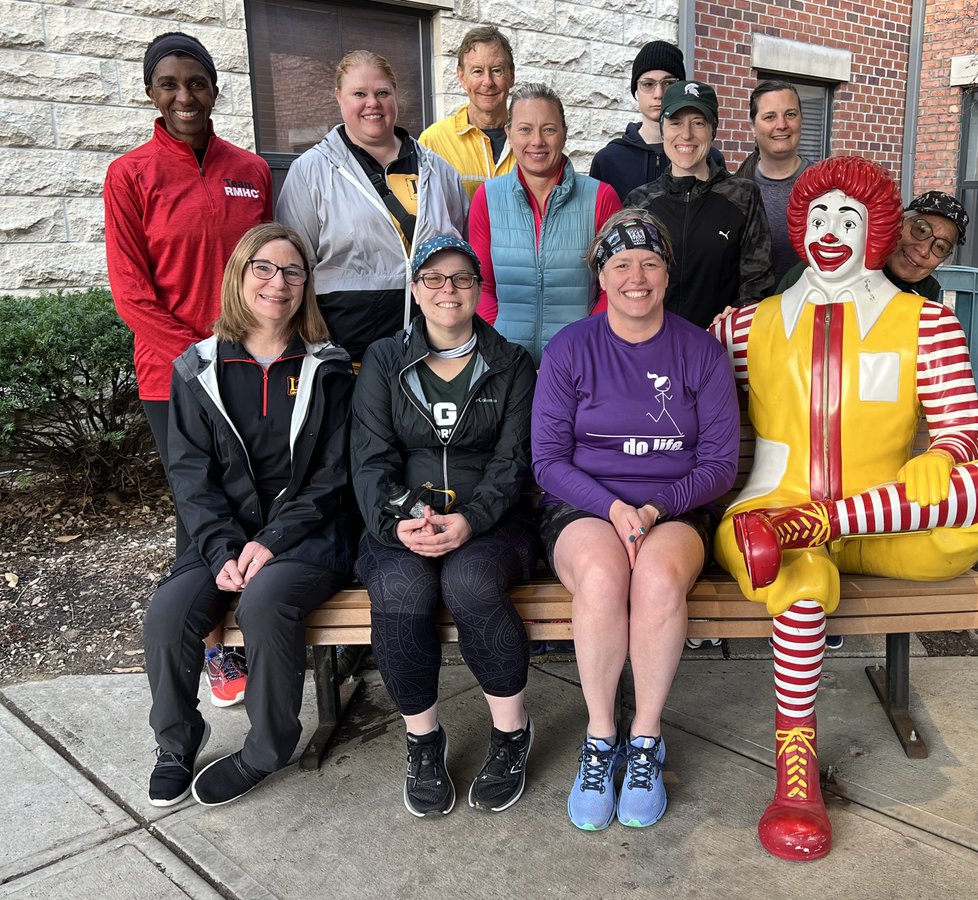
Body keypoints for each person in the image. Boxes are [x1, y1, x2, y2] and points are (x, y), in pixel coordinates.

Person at [709, 156, 978, 861]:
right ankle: (796, 773)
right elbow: (682, 400)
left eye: (848, 219)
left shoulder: (926, 325)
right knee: (802, 581)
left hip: (887, 523)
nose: (830, 230)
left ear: (877, 229)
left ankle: (823, 522)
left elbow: (963, 432)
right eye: (818, 217)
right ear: (799, 227)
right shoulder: (744, 328)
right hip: (768, 516)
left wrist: (942, 459)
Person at [532, 210, 740, 831]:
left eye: (650, 262)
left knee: (654, 578)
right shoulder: (571, 347)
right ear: (601, 274)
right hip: (584, 504)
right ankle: (601, 739)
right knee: (600, 575)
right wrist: (614, 508)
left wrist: (652, 508)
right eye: (620, 263)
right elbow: (547, 461)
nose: (636, 276)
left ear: (668, 273)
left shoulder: (700, 350)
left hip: (673, 505)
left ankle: (645, 739)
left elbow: (720, 464)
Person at [142, 223, 356, 808]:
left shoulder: (328, 367)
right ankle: (178, 740)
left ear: (305, 285)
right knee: (168, 615)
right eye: (263, 267)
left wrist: (271, 540)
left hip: (308, 537)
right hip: (219, 539)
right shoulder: (198, 369)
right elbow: (190, 476)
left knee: (265, 604)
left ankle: (267, 747)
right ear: (239, 275)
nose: (277, 282)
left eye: (291, 271)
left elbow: (333, 476)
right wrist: (221, 548)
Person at [105, 31, 271, 707]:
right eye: (169, 84)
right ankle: (212, 646)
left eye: (196, 83)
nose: (184, 97)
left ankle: (252, 624)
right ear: (151, 91)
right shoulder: (130, 174)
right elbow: (130, 289)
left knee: (254, 498)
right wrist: (193, 356)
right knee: (197, 510)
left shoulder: (250, 170)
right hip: (170, 380)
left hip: (248, 368)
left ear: (213, 88)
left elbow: (271, 267)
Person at [351, 235, 539, 818]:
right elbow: (370, 456)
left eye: (460, 278)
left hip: (494, 521)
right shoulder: (384, 359)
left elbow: (514, 463)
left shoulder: (511, 363)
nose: (448, 290)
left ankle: (510, 736)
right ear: (415, 291)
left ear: (479, 289)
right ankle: (424, 741)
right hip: (401, 520)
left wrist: (471, 519)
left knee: (471, 585)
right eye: (433, 279)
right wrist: (406, 517)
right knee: (402, 589)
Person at [277, 50, 468, 362]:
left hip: (432, 355)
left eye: (382, 93)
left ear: (395, 96)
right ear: (339, 97)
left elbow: (461, 251)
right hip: (346, 357)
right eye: (359, 94)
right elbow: (294, 268)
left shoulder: (439, 171)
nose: (372, 103)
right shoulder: (311, 171)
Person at [469, 83, 621, 363]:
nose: (537, 141)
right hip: (505, 364)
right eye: (525, 129)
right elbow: (480, 287)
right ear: (509, 134)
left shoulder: (601, 197)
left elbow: (612, 288)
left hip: (579, 361)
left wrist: (583, 345)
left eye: (548, 129)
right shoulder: (487, 198)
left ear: (564, 134)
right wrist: (501, 347)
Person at [625, 80, 773, 328]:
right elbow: (628, 283)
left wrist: (734, 321)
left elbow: (757, 287)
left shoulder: (743, 196)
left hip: (719, 348)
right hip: (652, 348)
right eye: (675, 123)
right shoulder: (639, 203)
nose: (686, 134)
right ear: (663, 129)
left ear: (712, 130)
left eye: (698, 123)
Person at [588, 40, 725, 201]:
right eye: (648, 84)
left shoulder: (707, 157)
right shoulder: (608, 160)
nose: (659, 93)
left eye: (668, 83)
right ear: (635, 91)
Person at [776, 190, 970, 300]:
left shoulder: (926, 295)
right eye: (920, 230)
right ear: (898, 224)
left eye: (940, 247)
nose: (923, 250)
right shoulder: (832, 264)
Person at [418, 26, 517, 200]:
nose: (487, 82)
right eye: (477, 71)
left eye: (497, 70)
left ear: (512, 76)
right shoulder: (432, 142)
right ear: (462, 77)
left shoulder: (531, 140)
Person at [734, 81, 811, 285]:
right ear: (753, 126)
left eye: (791, 114)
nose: (782, 125)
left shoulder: (824, 185)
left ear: (801, 120)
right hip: (753, 312)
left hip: (812, 310)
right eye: (770, 117)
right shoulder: (735, 190)